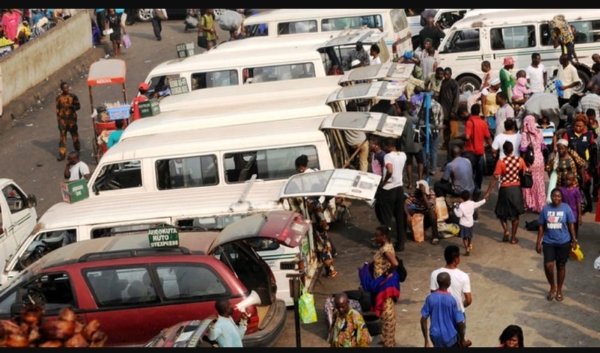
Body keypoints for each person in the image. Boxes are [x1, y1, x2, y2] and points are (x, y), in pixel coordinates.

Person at [536, 188, 577, 302]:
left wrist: (574, 239)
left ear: (561, 197)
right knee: (548, 266)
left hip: (564, 242)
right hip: (549, 242)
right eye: (554, 196)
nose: (556, 198)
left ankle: (559, 289)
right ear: (551, 196)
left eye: (558, 196)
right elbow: (541, 227)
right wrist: (538, 242)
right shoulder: (545, 209)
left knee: (561, 266)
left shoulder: (566, 208)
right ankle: (552, 286)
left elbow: (571, 225)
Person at [483, 141, 527, 244]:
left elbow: (495, 177)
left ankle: (506, 230)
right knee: (515, 215)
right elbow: (525, 170)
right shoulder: (519, 160)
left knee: (501, 212)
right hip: (516, 188)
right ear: (512, 149)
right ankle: (513, 238)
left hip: (505, 189)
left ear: (503, 150)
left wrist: (488, 192)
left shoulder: (501, 162)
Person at [429, 245, 472, 334]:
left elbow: (433, 295)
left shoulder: (435, 274)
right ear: (456, 259)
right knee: (459, 340)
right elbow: (468, 300)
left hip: (441, 314)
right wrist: (460, 305)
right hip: (458, 314)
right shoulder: (463, 276)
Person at [368, 225, 399, 347]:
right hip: (380, 283)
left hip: (384, 285)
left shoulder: (386, 249)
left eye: (377, 236)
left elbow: (395, 263)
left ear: (384, 237)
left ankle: (389, 343)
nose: (375, 238)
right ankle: (387, 338)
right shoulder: (385, 246)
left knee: (387, 315)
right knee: (384, 313)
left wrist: (387, 272)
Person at [421, 272, 468, 348]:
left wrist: (426, 341)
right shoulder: (454, 299)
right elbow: (460, 323)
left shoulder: (430, 298)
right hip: (450, 337)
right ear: (449, 283)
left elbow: (423, 319)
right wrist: (462, 340)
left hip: (435, 336)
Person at [377, 137, 407, 252]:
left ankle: (386, 245)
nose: (384, 148)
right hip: (399, 188)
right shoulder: (403, 155)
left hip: (388, 188)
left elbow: (389, 170)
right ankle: (401, 243)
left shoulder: (388, 156)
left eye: (385, 146)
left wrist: (384, 182)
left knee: (386, 218)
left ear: (389, 146)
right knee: (399, 217)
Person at [562, 114, 595, 213]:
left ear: (584, 125)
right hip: (571, 165)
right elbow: (563, 148)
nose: (578, 128)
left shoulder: (589, 135)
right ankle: (574, 207)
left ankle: (587, 205)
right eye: (576, 125)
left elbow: (593, 150)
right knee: (573, 186)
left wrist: (592, 165)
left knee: (585, 185)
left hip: (585, 165)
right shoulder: (568, 134)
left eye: (580, 126)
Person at [462, 104, 493, 192]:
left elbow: (467, 137)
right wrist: (492, 148)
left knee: (470, 171)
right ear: (479, 112)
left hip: (470, 151)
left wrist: (462, 138)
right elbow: (488, 137)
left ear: (471, 111)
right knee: (479, 172)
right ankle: (477, 188)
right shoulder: (483, 123)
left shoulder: (469, 122)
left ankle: (470, 188)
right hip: (480, 151)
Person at [520, 115, 547, 213]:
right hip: (540, 161)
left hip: (530, 162)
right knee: (539, 182)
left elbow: (523, 149)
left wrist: (522, 163)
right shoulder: (539, 132)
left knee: (528, 181)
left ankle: (529, 203)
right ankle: (540, 204)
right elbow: (543, 147)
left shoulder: (525, 134)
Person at [405, 180, 440, 245]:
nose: (418, 190)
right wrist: (407, 215)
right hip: (418, 213)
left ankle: (435, 236)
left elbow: (429, 206)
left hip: (427, 216)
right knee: (404, 211)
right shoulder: (415, 193)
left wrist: (423, 194)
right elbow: (405, 204)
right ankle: (409, 232)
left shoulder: (431, 193)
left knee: (431, 212)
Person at [398, 100, 424, 187]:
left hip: (405, 145)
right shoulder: (413, 119)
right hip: (416, 144)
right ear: (409, 109)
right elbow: (422, 123)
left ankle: (410, 183)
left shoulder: (400, 119)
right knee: (420, 162)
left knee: (409, 163)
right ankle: (420, 181)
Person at [453, 190, 486, 256]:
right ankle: (469, 245)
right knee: (469, 236)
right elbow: (479, 203)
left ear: (462, 198)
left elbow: (459, 215)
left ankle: (466, 248)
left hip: (463, 224)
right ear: (469, 197)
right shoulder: (472, 203)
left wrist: (455, 209)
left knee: (464, 237)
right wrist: (484, 200)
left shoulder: (461, 206)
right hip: (470, 223)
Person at [55, 81, 81, 161]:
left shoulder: (73, 97)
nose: (67, 89)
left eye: (67, 87)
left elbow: (78, 106)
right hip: (63, 121)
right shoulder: (58, 98)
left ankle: (77, 150)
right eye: (65, 88)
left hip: (72, 121)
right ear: (62, 89)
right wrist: (59, 121)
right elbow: (57, 110)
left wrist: (71, 106)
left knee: (75, 137)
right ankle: (62, 155)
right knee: (62, 138)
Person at [439, 67, 460, 151]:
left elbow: (456, 98)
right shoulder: (443, 82)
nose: (446, 76)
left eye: (447, 74)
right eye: (445, 74)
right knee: (446, 130)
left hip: (451, 110)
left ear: (451, 74)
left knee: (454, 130)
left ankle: (455, 145)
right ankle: (446, 144)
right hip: (444, 110)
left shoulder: (454, 83)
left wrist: (454, 110)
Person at [559, 172, 583, 238]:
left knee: (574, 230)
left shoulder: (576, 190)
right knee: (565, 229)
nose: (567, 181)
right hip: (564, 213)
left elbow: (578, 203)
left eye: (569, 180)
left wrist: (580, 215)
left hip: (574, 214)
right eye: (566, 179)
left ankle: (574, 241)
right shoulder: (561, 189)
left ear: (573, 180)